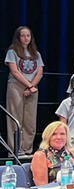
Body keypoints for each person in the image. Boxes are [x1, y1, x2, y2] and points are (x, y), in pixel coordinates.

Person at [5, 26, 44, 155]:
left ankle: (27, 149)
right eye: (23, 35)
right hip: (17, 86)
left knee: (30, 120)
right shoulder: (13, 52)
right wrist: (28, 85)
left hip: (32, 88)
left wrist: (31, 86)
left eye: (28, 35)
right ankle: (15, 150)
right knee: (15, 119)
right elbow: (15, 71)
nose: (26, 38)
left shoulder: (36, 54)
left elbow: (39, 73)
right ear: (18, 37)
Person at [31, 122, 74, 186]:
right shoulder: (40, 155)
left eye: (62, 134)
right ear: (48, 137)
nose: (59, 137)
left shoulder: (73, 153)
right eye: (54, 134)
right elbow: (42, 186)